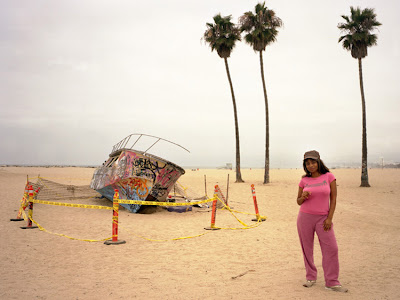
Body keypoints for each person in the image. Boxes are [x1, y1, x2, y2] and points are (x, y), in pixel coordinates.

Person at [296, 150, 348, 293]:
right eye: (308, 163)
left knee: (331, 248)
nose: (311, 165)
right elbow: (298, 201)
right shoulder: (304, 180)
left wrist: (329, 218)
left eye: (313, 162)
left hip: (323, 218)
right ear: (305, 166)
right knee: (307, 248)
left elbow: (334, 199)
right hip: (304, 217)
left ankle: (331, 282)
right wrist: (304, 197)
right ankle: (311, 277)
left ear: (319, 161)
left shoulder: (329, 177)